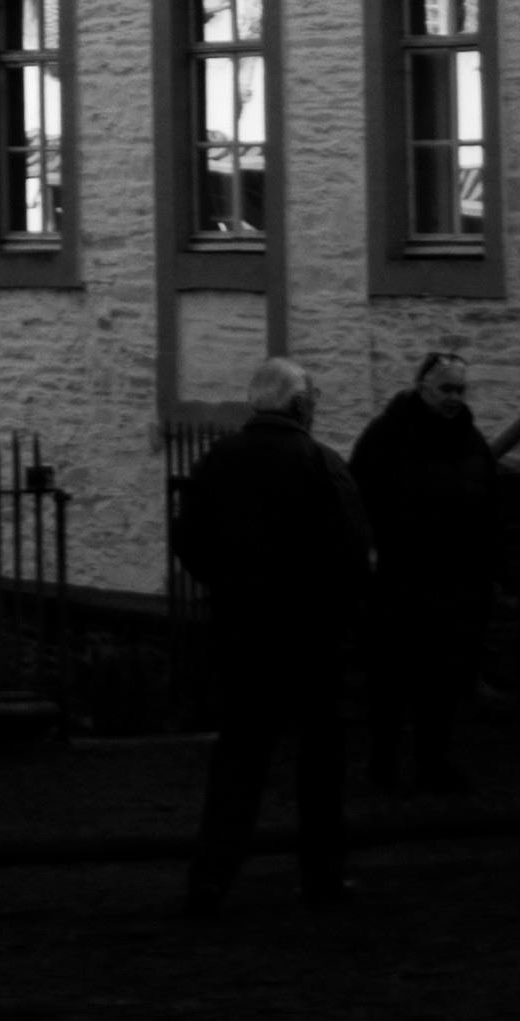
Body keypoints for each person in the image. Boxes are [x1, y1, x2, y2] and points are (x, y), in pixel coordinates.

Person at [171, 354, 374, 911]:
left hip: (244, 632)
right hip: (311, 637)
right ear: (301, 406)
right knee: (320, 764)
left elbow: (189, 539)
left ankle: (211, 878)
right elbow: (354, 554)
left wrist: (229, 585)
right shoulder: (320, 463)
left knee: (238, 759)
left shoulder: (218, 460)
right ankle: (322, 877)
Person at [351, 344, 505, 797]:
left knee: (442, 680)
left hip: (454, 584)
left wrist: (488, 565)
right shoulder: (386, 437)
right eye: (445, 389)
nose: (454, 397)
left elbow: (490, 507)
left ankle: (432, 762)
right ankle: (383, 764)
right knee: (391, 682)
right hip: (399, 582)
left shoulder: (470, 440)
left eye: (460, 389)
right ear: (422, 387)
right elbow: (359, 502)